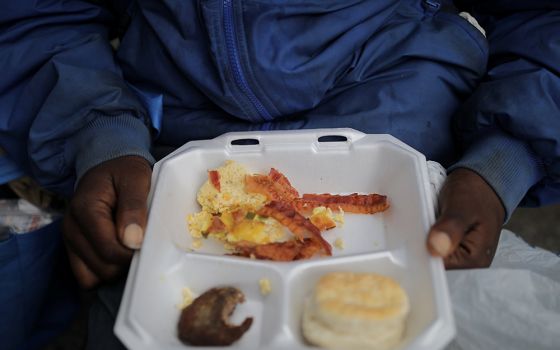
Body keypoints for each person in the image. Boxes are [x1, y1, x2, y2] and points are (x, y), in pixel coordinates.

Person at [0, 0, 559, 347]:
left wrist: (502, 160)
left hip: (413, 146)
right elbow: (42, 14)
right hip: (166, 150)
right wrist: (96, 136)